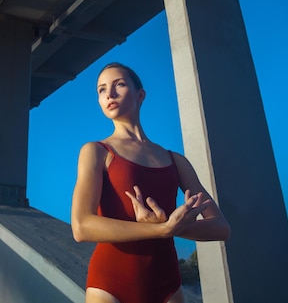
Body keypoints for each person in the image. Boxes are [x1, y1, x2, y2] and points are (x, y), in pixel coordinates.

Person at [71, 62, 231, 303]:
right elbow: (81, 227)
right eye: (101, 90)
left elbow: (221, 227)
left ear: (140, 95)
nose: (109, 94)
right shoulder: (96, 152)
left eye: (119, 85)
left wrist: (171, 226)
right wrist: (161, 230)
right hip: (110, 284)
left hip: (167, 284)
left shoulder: (175, 160)